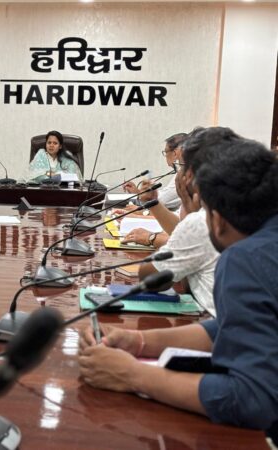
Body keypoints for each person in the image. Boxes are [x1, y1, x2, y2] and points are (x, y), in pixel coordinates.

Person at [78, 132, 278, 444]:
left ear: (216, 218)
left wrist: (132, 375)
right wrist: (140, 341)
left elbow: (251, 400)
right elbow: (235, 327)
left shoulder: (245, 258)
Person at [125, 128, 232, 315]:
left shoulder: (204, 219)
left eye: (181, 165)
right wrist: (154, 204)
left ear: (192, 174)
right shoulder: (230, 206)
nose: (178, 173)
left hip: (212, 320)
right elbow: (186, 237)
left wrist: (153, 238)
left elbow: (149, 278)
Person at [123, 132, 187, 211]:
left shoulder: (184, 174)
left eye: (166, 152)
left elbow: (161, 200)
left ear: (175, 153)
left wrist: (140, 206)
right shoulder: (181, 171)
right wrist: (138, 193)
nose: (165, 156)